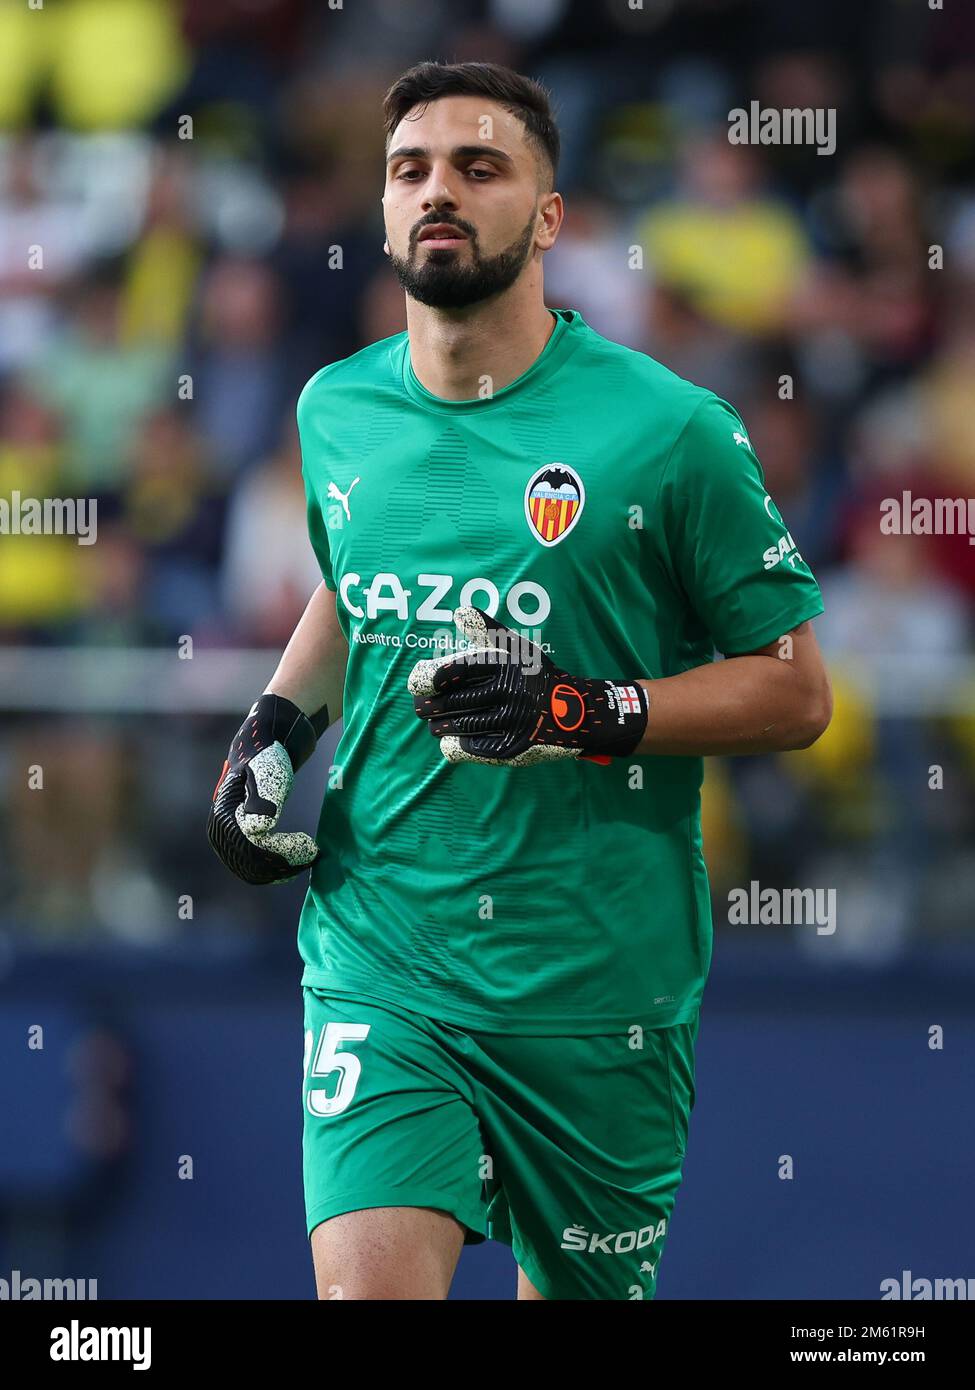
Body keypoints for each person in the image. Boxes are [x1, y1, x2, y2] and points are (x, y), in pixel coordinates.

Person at [207, 60, 832, 1301]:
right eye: (411, 171)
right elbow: (357, 584)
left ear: (549, 216)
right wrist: (273, 731)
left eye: (479, 167)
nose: (439, 191)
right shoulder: (335, 408)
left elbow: (795, 689)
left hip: (598, 983)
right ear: (385, 215)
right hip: (383, 947)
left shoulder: (671, 429)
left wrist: (582, 712)